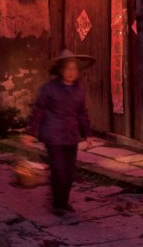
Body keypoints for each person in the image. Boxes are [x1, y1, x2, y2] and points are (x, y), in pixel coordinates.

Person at [25, 49, 96, 214]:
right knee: (59, 171)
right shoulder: (49, 89)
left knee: (70, 173)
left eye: (74, 69)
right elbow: (39, 110)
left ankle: (63, 201)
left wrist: (88, 134)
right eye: (67, 68)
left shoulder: (79, 90)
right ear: (60, 70)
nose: (71, 72)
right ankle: (58, 203)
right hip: (53, 136)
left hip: (71, 136)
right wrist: (31, 133)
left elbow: (82, 113)